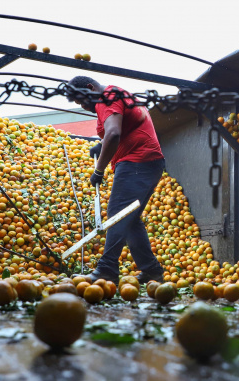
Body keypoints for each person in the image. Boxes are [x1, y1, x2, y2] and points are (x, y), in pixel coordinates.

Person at [66, 76, 165, 284]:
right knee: (128, 218)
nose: (84, 107)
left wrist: (99, 170)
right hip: (145, 162)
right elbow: (123, 129)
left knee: (117, 214)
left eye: (83, 101)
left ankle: (107, 269)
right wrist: (101, 146)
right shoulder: (116, 94)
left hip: (138, 161)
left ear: (90, 88)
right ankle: (151, 270)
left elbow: (113, 134)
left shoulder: (106, 97)